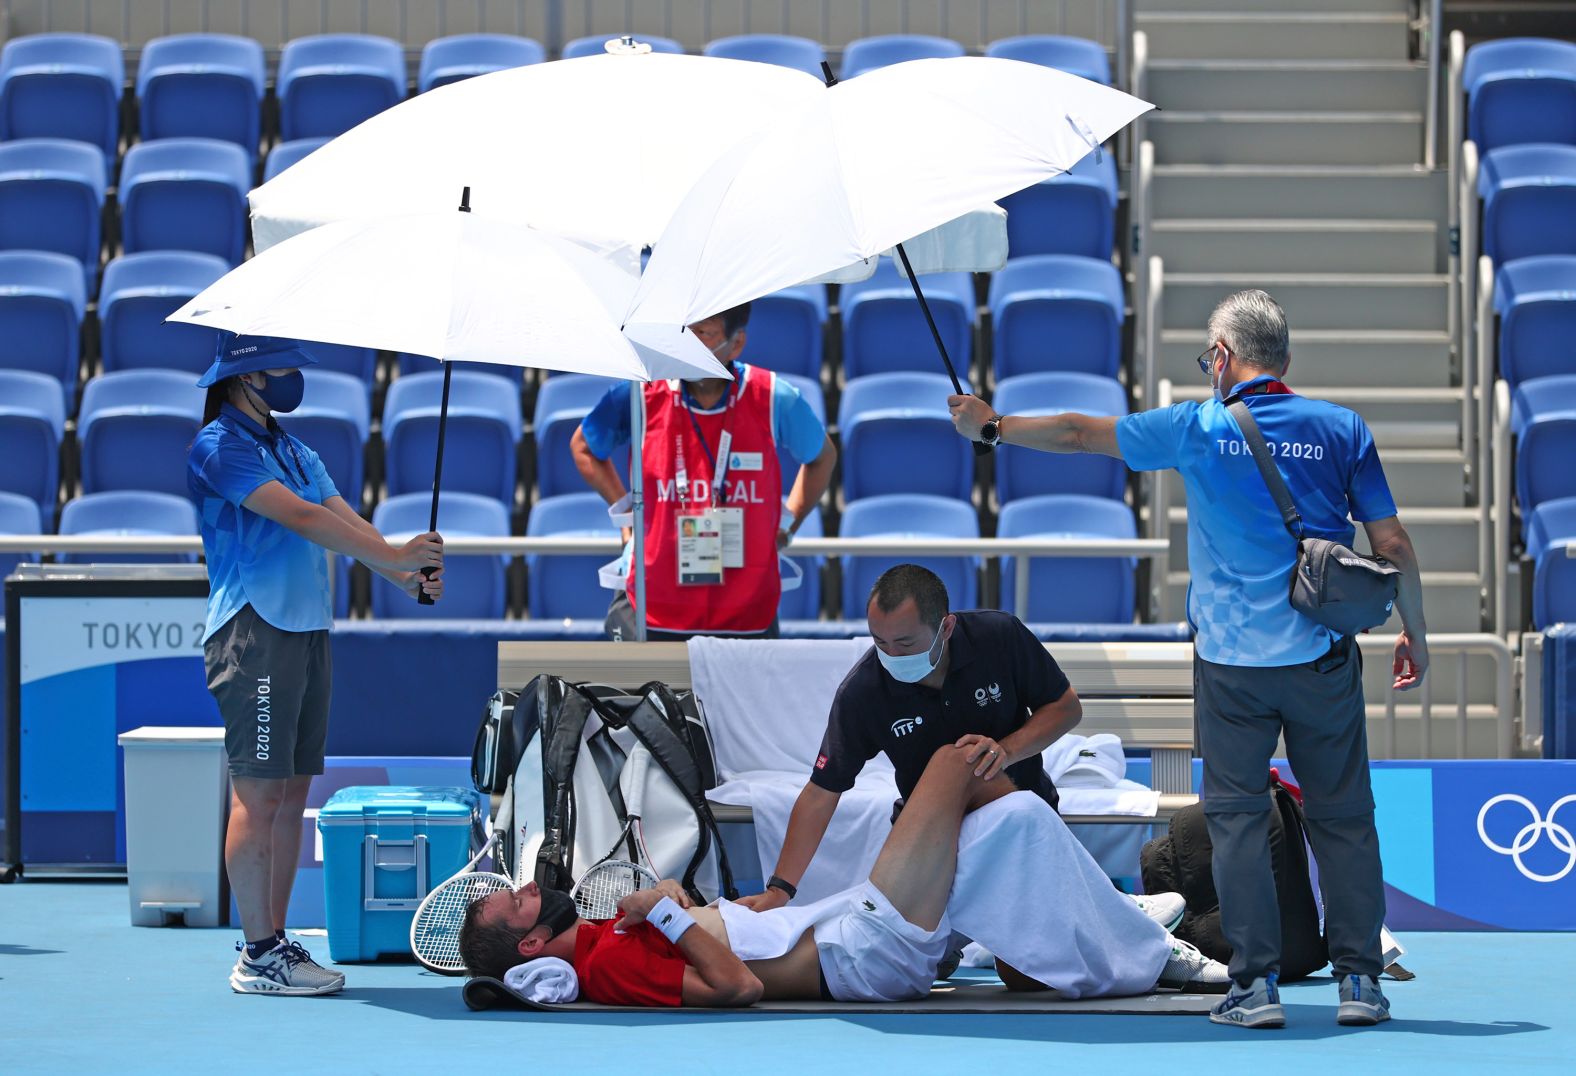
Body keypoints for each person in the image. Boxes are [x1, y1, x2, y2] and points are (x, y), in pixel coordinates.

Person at [947, 288, 1428, 1030]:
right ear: (1285, 361)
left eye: (1210, 353)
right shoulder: (1342, 427)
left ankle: (1257, 989)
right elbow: (1391, 546)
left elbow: (1078, 434)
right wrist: (1416, 632)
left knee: (1236, 823)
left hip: (1233, 668)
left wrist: (994, 428)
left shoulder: (1198, 427)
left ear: (1226, 358)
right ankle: (1361, 984)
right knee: (1344, 820)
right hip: (1323, 659)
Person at [459, 744, 1226, 1004]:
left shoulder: (598, 938)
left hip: (848, 923)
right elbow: (739, 987)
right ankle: (1149, 948)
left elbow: (716, 943)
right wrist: (666, 909)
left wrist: (685, 908)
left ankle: (1115, 932)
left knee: (1013, 815)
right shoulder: (608, 965)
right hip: (861, 957)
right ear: (530, 947)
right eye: (516, 904)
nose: (528, 889)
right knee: (957, 764)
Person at [188, 334, 445, 996]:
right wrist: (397, 557)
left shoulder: (297, 450)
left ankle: (274, 945)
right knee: (259, 792)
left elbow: (348, 524)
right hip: (254, 631)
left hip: (306, 631)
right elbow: (302, 518)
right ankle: (258, 952)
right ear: (245, 375)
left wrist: (404, 575)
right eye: (282, 365)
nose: (294, 375)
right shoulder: (220, 447)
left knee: (293, 790)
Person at [740, 564, 1179, 932]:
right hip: (932, 842)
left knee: (1028, 974)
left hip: (1024, 824)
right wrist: (781, 889)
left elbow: (1065, 709)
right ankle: (980, 929)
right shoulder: (863, 691)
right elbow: (822, 791)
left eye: (906, 643)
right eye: (880, 642)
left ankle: (1106, 909)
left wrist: (1005, 750)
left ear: (946, 626)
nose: (891, 655)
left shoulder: (999, 637)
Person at [571, 303, 837, 640]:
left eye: (703, 334)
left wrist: (788, 524)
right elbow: (583, 448)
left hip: (746, 611)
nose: (688, 344)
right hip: (651, 607)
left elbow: (822, 457)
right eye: (684, 331)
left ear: (736, 343)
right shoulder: (640, 394)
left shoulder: (772, 397)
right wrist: (628, 521)